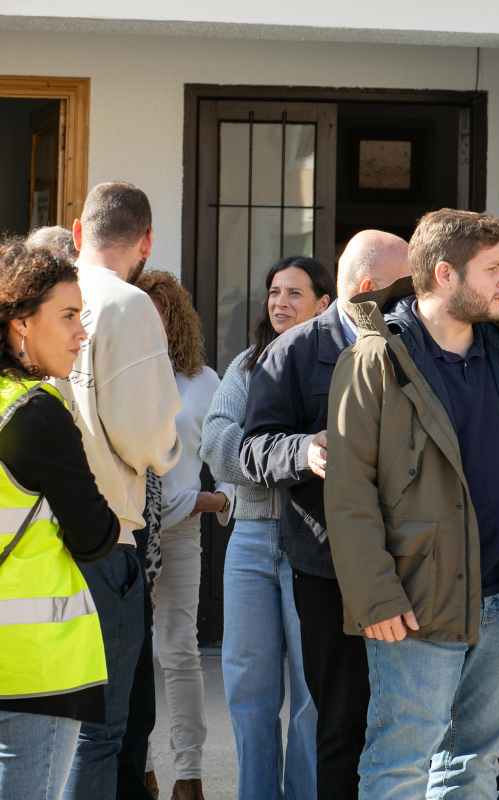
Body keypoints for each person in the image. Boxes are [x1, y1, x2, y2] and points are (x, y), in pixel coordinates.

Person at [325, 209, 499, 800]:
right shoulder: (375, 360)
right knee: (400, 765)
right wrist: (375, 595)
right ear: (443, 274)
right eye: (491, 270)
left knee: (475, 765)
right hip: (416, 602)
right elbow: (349, 492)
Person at [239, 232, 408, 800]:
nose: (416, 296)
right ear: (367, 289)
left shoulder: (410, 341)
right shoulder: (291, 352)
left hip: (406, 563)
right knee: (339, 720)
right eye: (404, 285)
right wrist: (302, 453)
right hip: (325, 567)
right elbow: (251, 449)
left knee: (406, 720)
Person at [55, 182, 182, 800]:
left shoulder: (39, 299)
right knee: (100, 731)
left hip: (30, 533)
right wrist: (167, 452)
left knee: (41, 727)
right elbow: (146, 436)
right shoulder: (127, 305)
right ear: (146, 242)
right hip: (104, 538)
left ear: (78, 231)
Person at [200, 256, 331, 800]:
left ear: (324, 304)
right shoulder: (246, 367)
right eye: (275, 292)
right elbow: (216, 445)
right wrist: (288, 456)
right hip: (252, 537)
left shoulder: (340, 363)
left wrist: (264, 453)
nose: (280, 302)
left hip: (317, 543)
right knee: (248, 685)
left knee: (310, 693)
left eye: (295, 293)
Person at [0, 241, 119, 800]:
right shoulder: (37, 412)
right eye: (68, 316)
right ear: (21, 324)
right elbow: (96, 535)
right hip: (33, 670)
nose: (81, 333)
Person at [136, 271, 230, 800]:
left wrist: (215, 499)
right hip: (126, 530)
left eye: (157, 312)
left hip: (179, 533)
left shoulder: (205, 382)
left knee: (178, 651)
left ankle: (189, 774)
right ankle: (142, 764)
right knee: (129, 652)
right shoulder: (118, 374)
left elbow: (226, 460)